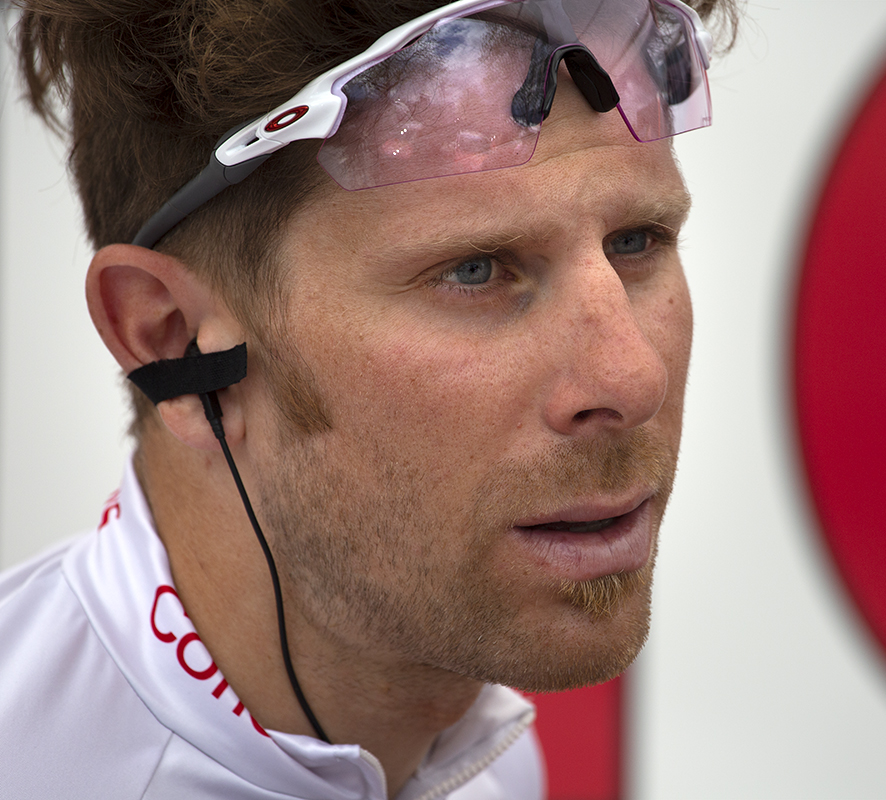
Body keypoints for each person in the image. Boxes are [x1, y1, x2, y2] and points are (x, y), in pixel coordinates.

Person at [0, 0, 736, 797]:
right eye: (476, 270)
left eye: (637, 241)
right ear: (172, 340)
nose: (631, 380)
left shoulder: (489, 763)